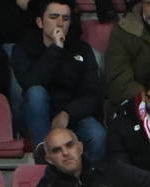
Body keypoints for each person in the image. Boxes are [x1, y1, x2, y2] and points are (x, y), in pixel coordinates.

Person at [13, 0, 105, 163]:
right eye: (54, 17)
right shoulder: (23, 48)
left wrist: (67, 114)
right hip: (36, 116)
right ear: (40, 22)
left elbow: (93, 94)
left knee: (97, 135)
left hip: (72, 115)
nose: (60, 23)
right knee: (36, 93)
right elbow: (31, 83)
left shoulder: (82, 49)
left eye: (65, 18)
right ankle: (44, 156)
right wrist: (55, 48)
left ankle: (90, 181)